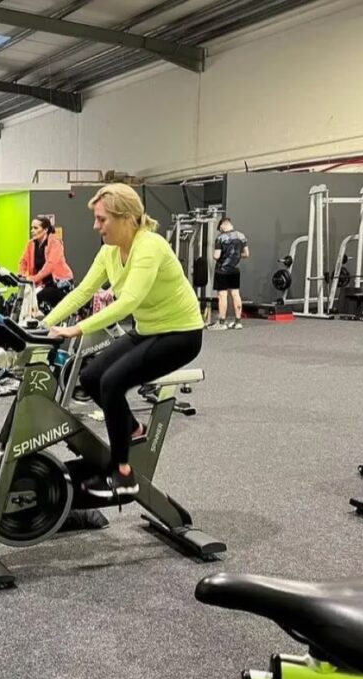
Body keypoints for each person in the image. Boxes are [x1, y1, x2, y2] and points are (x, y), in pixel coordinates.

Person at [42, 184, 204, 498]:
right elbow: (83, 291)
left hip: (181, 334)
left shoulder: (150, 246)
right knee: (91, 376)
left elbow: (129, 301)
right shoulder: (109, 252)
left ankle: (123, 474)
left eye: (102, 219)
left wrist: (76, 330)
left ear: (127, 217)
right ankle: (133, 429)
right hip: (147, 330)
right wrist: (44, 324)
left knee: (112, 382)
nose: (96, 226)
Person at [18, 215, 75, 313]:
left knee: (38, 298)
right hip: (43, 284)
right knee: (23, 300)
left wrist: (33, 278)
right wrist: (21, 275)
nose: (32, 231)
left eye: (36, 228)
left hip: (60, 283)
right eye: (32, 228)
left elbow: (50, 265)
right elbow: (23, 261)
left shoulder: (55, 242)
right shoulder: (31, 244)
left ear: (45, 230)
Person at [209, 216, 249, 330]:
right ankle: (238, 322)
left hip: (222, 270)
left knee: (222, 295)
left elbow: (216, 256)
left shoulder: (220, 238)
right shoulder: (241, 236)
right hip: (234, 270)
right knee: (235, 294)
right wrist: (234, 257)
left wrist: (223, 256)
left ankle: (222, 322)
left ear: (222, 226)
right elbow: (246, 254)